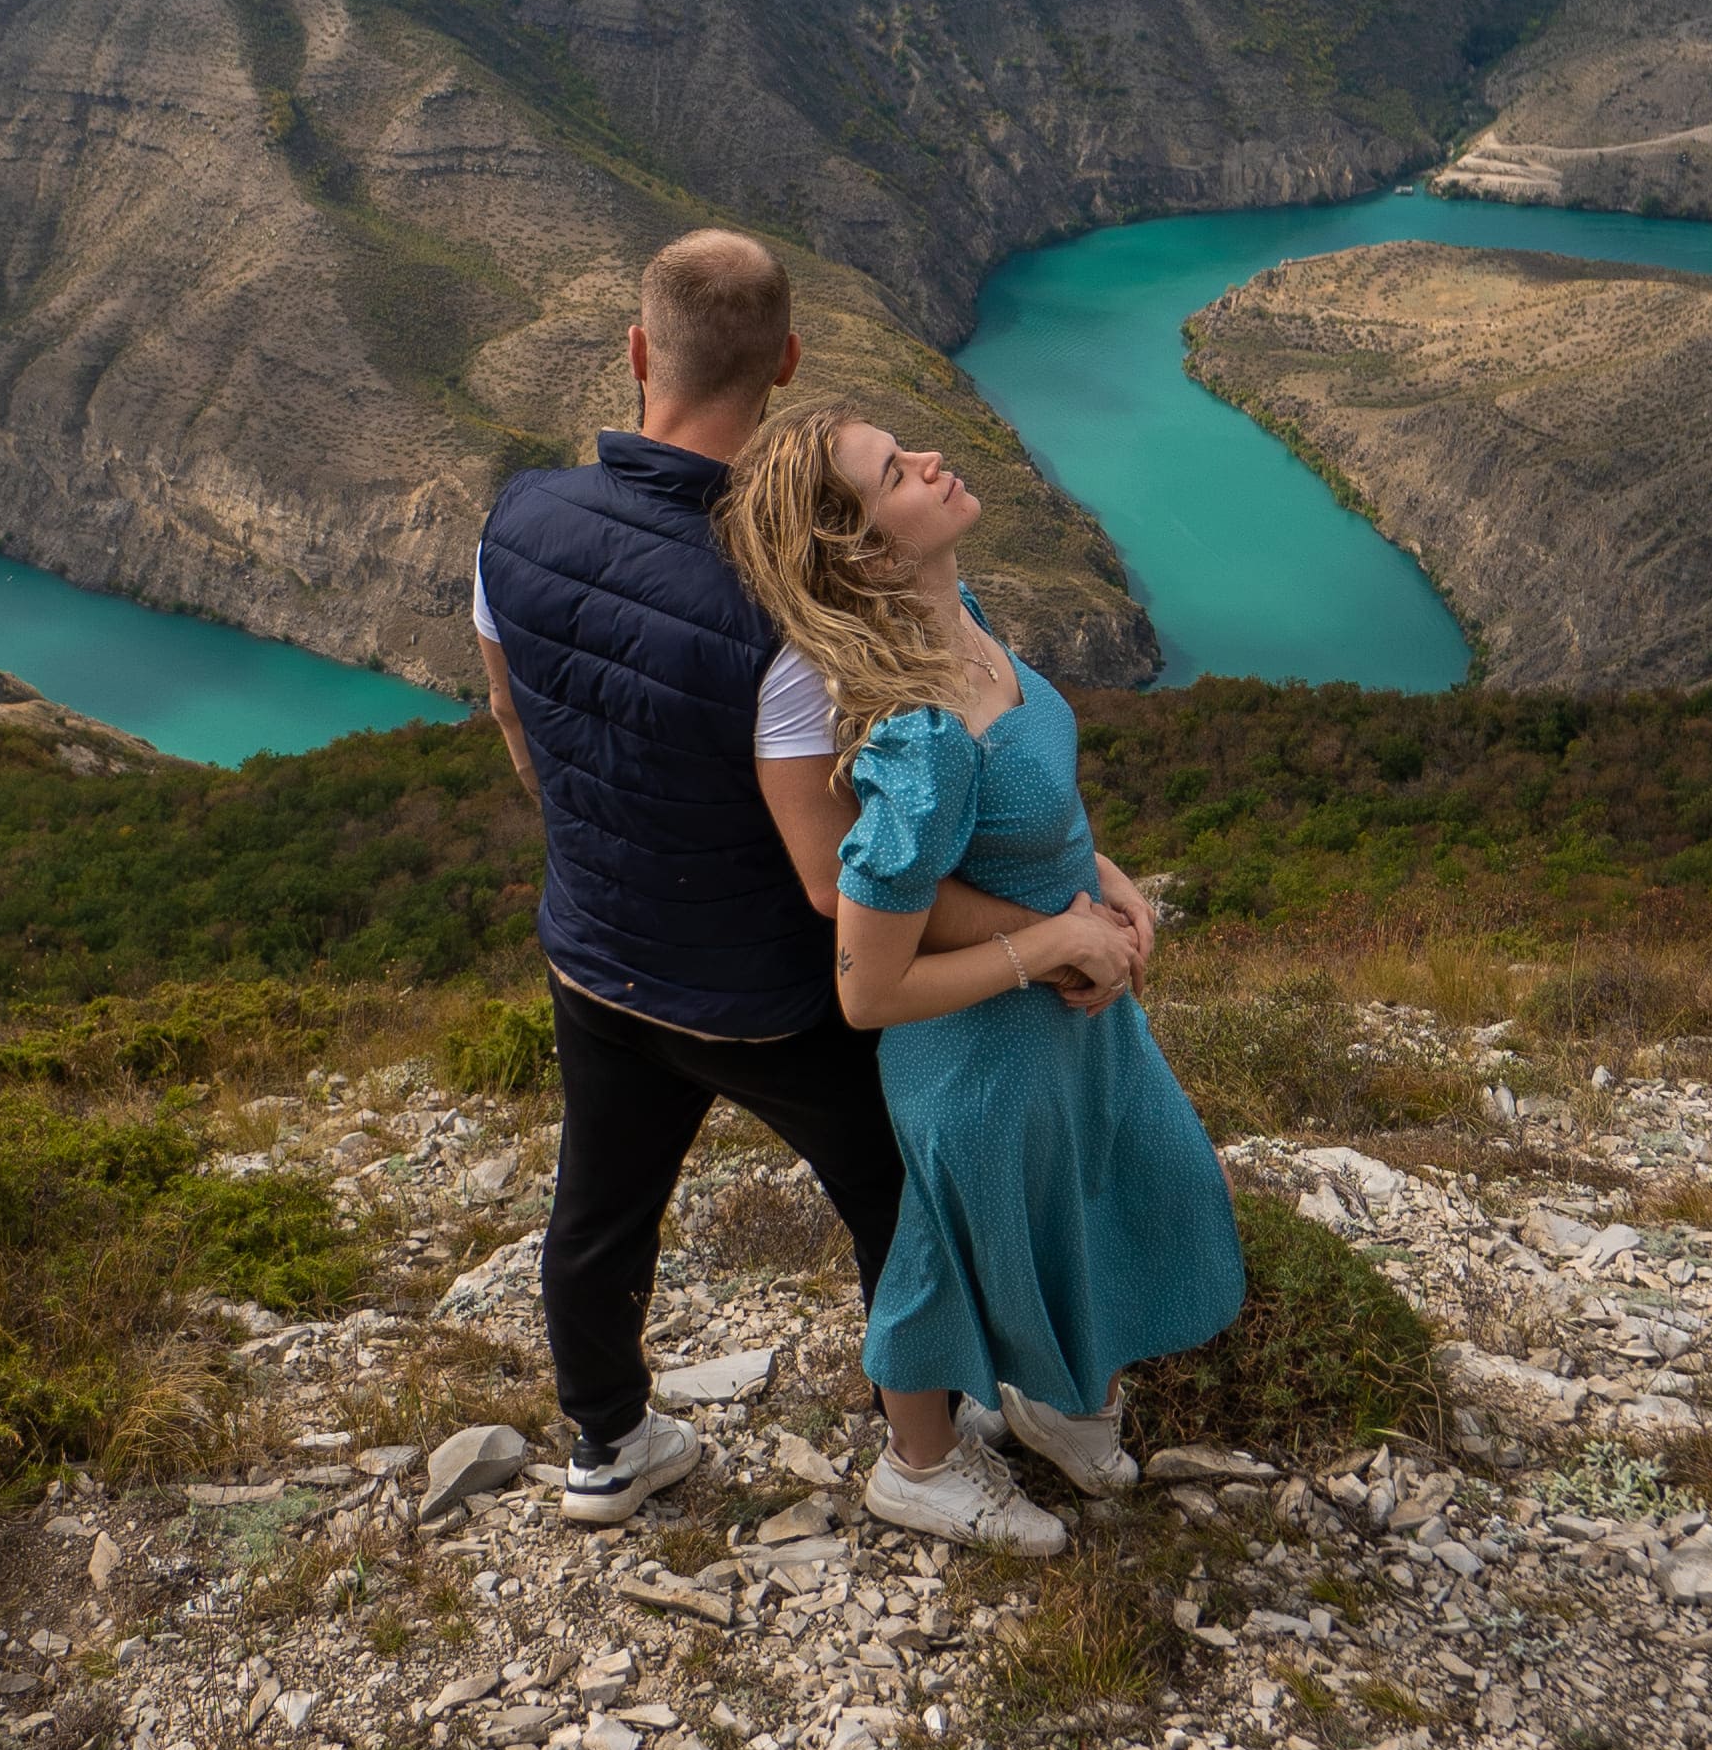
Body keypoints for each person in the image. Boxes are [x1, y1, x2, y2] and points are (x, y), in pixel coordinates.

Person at [475, 231, 1126, 1528]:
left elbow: (511, 718)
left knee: (598, 1209)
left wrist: (598, 851)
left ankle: (606, 1443)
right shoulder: (776, 607)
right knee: (897, 1198)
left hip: (591, 951)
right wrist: (1051, 927)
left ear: (637, 350)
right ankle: (925, 1452)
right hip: (757, 993)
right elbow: (837, 881)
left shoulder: (517, 523)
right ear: (785, 364)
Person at [717, 401, 1246, 1552]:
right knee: (945, 1258)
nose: (930, 458)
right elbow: (867, 990)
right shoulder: (917, 739)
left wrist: (1107, 881)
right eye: (894, 473)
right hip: (976, 1056)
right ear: (864, 552)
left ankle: (1058, 1403)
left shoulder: (965, 615)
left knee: (1109, 1190)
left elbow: (1030, 802)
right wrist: (1044, 947)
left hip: (1071, 1015)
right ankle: (915, 1466)